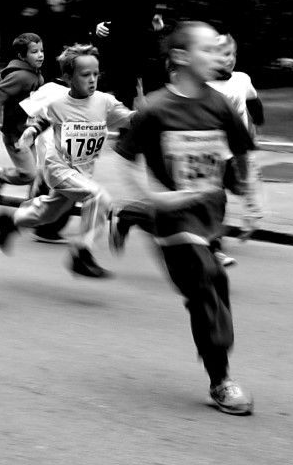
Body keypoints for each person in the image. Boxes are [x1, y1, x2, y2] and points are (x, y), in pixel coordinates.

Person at [109, 23, 255, 416]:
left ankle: (129, 215)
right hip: (172, 220)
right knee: (207, 279)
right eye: (208, 49)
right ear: (181, 57)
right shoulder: (155, 108)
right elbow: (126, 157)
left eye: (220, 49)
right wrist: (155, 195)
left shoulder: (220, 104)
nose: (217, 56)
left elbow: (240, 152)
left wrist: (248, 196)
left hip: (209, 214)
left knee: (214, 284)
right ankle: (221, 381)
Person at [0, 43, 134, 278]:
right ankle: (82, 253)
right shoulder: (58, 103)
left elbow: (130, 119)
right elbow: (44, 119)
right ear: (68, 77)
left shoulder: (104, 102)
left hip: (81, 171)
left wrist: (150, 115)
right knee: (98, 197)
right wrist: (30, 133)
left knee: (49, 213)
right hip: (58, 167)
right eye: (85, 75)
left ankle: (11, 221)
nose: (92, 80)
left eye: (96, 74)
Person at [85, 0, 168, 101]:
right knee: (123, 89)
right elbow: (91, 9)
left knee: (153, 86)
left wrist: (157, 15)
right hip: (116, 43)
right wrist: (96, 25)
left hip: (143, 40)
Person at [207, 32, 264, 256]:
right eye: (223, 55)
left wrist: (258, 121)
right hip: (212, 151)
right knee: (215, 195)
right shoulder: (203, 85)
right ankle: (214, 240)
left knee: (244, 186)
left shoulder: (242, 79)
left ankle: (250, 217)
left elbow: (253, 101)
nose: (229, 59)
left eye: (232, 54)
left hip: (238, 149)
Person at [0, 33, 46, 201]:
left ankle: (32, 203)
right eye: (34, 52)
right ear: (22, 56)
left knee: (37, 171)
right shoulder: (21, 76)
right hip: (16, 134)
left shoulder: (37, 76)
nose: (40, 55)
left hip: (30, 132)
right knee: (29, 174)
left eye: (42, 50)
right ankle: (0, 175)